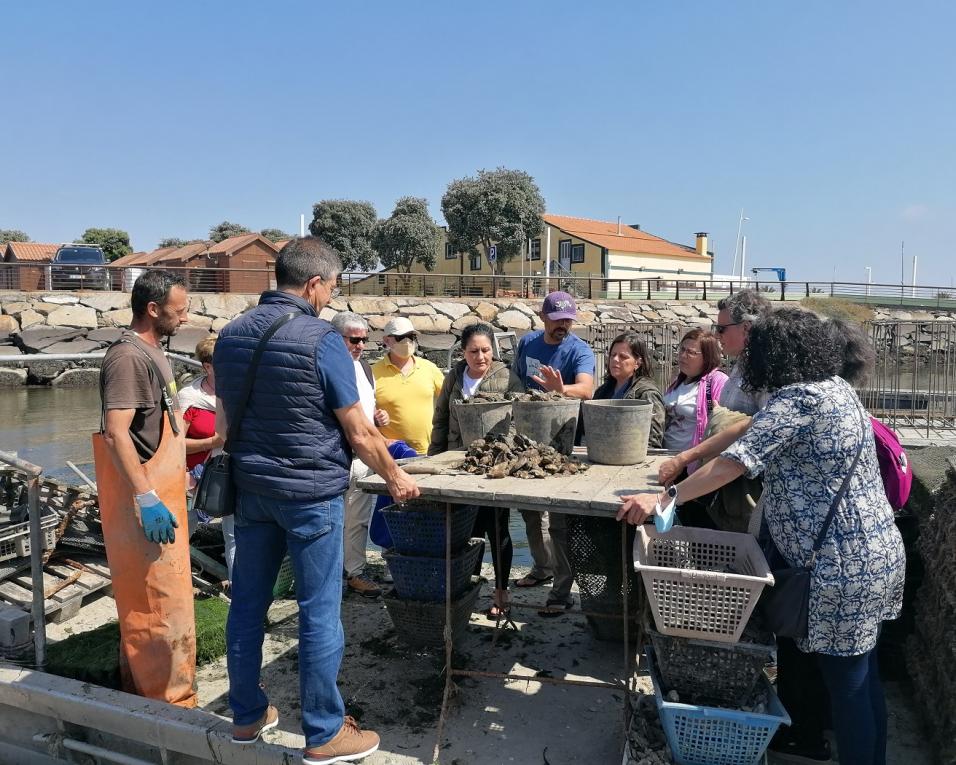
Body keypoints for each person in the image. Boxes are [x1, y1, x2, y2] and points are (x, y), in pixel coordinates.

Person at [618, 307, 905, 765]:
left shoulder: (801, 400)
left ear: (774, 354)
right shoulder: (834, 390)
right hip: (875, 554)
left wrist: (664, 500)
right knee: (861, 675)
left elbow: (736, 461)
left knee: (847, 683)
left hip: (841, 566)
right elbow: (752, 429)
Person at [214, 237, 419, 764]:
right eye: (331, 286)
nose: (330, 296)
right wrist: (396, 478)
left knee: (248, 605)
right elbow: (359, 432)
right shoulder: (321, 339)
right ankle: (325, 731)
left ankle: (246, 715)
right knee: (319, 611)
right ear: (313, 284)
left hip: (251, 491)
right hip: (310, 495)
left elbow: (225, 422)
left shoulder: (231, 335)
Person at [93, 270, 196, 707]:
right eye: (180, 309)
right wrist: (145, 496)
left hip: (166, 491)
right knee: (153, 603)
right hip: (145, 503)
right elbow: (118, 433)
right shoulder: (128, 359)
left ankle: (151, 692)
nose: (185, 317)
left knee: (170, 601)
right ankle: (164, 707)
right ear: (152, 309)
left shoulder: (156, 352)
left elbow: (159, 430)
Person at [429, 322, 524, 617]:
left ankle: (501, 593)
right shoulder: (455, 376)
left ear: (493, 350)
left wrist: (507, 455)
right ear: (463, 352)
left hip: (495, 465)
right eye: (474, 351)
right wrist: (435, 458)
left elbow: (520, 418)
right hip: (458, 462)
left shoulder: (508, 377)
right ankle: (468, 589)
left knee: (498, 528)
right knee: (468, 530)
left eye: (485, 350)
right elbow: (441, 418)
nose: (481, 357)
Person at [510, 291, 595, 615]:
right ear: (543, 317)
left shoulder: (579, 350)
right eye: (557, 320)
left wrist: (561, 390)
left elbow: (586, 388)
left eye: (568, 320)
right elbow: (517, 381)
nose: (563, 326)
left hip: (565, 446)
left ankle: (561, 593)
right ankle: (542, 568)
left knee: (559, 522)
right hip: (528, 440)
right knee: (530, 513)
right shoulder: (528, 343)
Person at [331, 311, 391, 598]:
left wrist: (378, 418)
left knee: (358, 520)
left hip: (361, 458)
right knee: (330, 521)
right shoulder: (326, 368)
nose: (361, 345)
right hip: (334, 458)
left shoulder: (365, 368)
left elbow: (366, 409)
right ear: (336, 338)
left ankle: (354, 573)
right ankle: (332, 576)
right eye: (355, 339)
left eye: (365, 340)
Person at [372, 316, 445, 454]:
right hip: (391, 455)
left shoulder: (430, 368)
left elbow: (450, 402)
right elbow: (361, 415)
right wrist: (379, 432)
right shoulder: (372, 373)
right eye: (401, 337)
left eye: (411, 336)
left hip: (430, 451)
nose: (407, 341)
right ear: (386, 340)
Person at [588, 332, 665, 447]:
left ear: (637, 363)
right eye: (613, 355)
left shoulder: (647, 394)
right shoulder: (603, 391)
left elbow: (653, 441)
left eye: (623, 356)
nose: (615, 359)